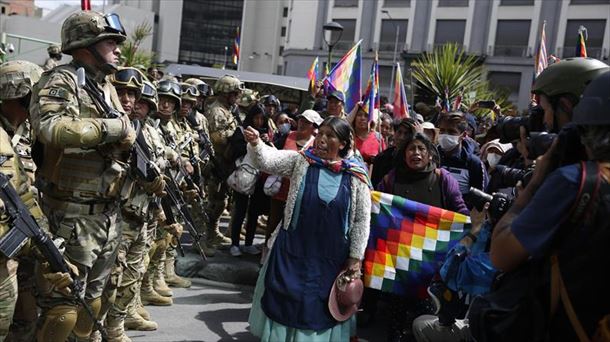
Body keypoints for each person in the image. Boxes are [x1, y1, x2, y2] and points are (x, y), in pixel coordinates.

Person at [28, 10, 136, 341]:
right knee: (62, 309)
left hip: (107, 215)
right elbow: (50, 127)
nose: (118, 49)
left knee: (93, 303)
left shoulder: (104, 86)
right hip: (70, 216)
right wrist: (113, 128)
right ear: (85, 44)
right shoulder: (61, 81)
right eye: (111, 42)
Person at [487, 70, 610, 341]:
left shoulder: (575, 183)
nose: (544, 121)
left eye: (544, 110)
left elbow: (502, 254)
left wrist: (536, 182)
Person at [247, 117, 372, 341]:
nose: (322, 139)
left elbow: (362, 220)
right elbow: (269, 161)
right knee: (284, 299)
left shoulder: (356, 176)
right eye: (320, 133)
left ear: (343, 144)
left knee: (318, 306)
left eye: (330, 135)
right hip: (291, 250)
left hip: (331, 258)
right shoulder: (301, 162)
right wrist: (256, 144)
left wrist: (355, 257)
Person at [376, 133, 469, 341]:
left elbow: (461, 214)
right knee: (396, 322)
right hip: (399, 263)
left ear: (429, 155)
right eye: (411, 149)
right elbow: (377, 209)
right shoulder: (391, 179)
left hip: (432, 265)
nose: (416, 153)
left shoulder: (443, 179)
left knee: (426, 319)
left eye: (421, 149)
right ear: (404, 154)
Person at [266, 109, 322, 248]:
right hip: (280, 191)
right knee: (273, 224)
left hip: (300, 195)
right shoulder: (287, 136)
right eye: (301, 120)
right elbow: (273, 155)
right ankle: (266, 256)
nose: (302, 124)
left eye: (307, 122)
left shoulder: (316, 144)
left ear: (314, 126)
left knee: (291, 227)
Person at [205, 75, 244, 249]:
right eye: (234, 93)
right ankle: (206, 237)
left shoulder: (228, 110)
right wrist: (235, 136)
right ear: (225, 93)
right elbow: (218, 140)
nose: (236, 97)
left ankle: (214, 231)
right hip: (216, 163)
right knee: (212, 201)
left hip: (226, 163)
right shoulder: (217, 112)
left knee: (221, 200)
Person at [226, 103, 271, 257]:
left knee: (253, 213)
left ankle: (249, 243)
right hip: (244, 177)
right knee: (239, 211)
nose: (258, 122)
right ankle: (234, 243)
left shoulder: (266, 133)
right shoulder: (241, 131)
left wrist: (265, 141)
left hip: (260, 178)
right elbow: (235, 150)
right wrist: (251, 143)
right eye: (256, 118)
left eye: (261, 119)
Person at [437, 112, 488, 209]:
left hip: (458, 220)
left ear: (464, 135)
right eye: (442, 131)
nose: (445, 135)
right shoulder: (432, 157)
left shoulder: (473, 163)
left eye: (451, 132)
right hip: (432, 217)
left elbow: (480, 201)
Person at [371, 118, 419, 188]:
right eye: (399, 132)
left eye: (406, 134)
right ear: (394, 133)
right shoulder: (382, 157)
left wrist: (419, 136)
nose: (402, 137)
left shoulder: (416, 160)